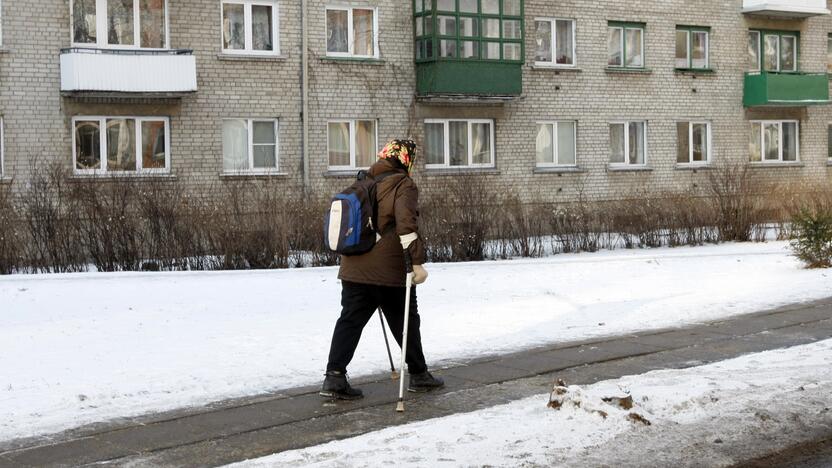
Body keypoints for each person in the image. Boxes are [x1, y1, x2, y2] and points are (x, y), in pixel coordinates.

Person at [321, 139, 444, 400]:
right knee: (406, 321)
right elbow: (406, 225)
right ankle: (420, 374)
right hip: (388, 271)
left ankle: (334, 377)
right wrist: (417, 262)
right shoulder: (403, 184)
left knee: (350, 320)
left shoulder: (363, 181)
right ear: (405, 160)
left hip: (353, 266)